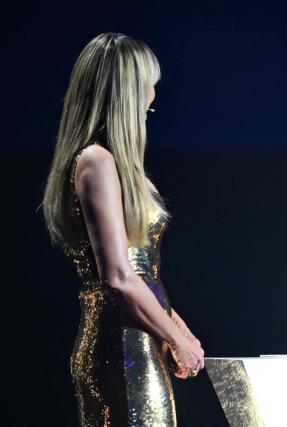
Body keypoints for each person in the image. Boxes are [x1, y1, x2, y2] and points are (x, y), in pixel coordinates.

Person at [42, 33, 205, 426]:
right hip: (121, 351)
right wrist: (178, 340)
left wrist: (175, 328)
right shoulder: (96, 162)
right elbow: (117, 277)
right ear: (127, 93)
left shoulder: (108, 162)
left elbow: (140, 273)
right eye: (148, 84)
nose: (153, 95)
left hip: (137, 344)